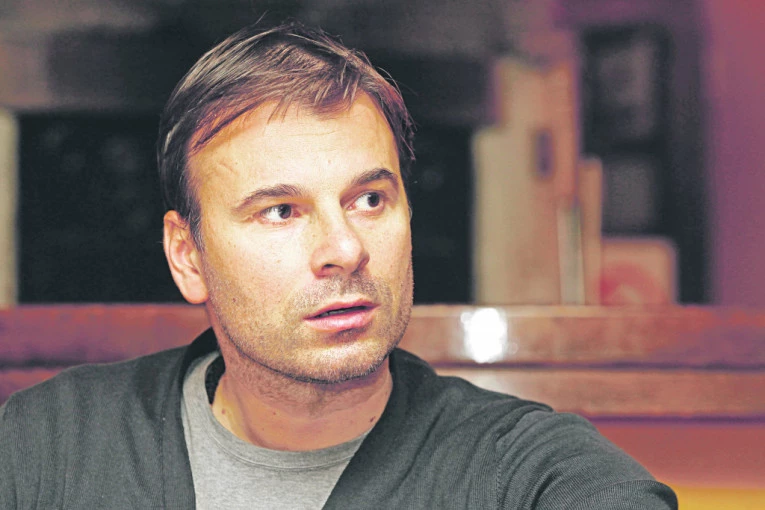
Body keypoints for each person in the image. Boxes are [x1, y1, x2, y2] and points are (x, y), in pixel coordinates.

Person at [0, 22, 677, 509]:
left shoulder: (521, 471)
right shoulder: (50, 447)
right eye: (281, 211)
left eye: (369, 199)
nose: (346, 249)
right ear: (188, 256)